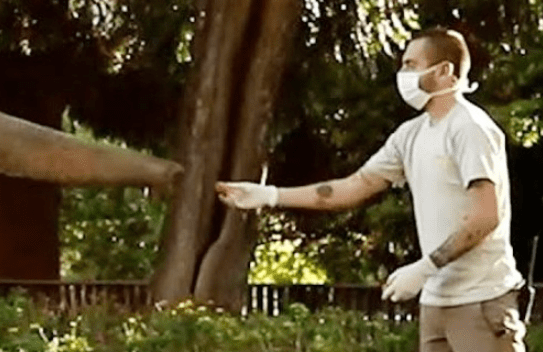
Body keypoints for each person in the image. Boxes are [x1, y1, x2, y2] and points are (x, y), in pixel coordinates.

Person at [216, 27, 526, 352]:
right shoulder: (411, 134)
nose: (403, 74)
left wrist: (426, 266)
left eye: (411, 64)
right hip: (436, 303)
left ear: (445, 71)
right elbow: (353, 187)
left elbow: (485, 216)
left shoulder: (470, 129)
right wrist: (269, 196)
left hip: (481, 300)